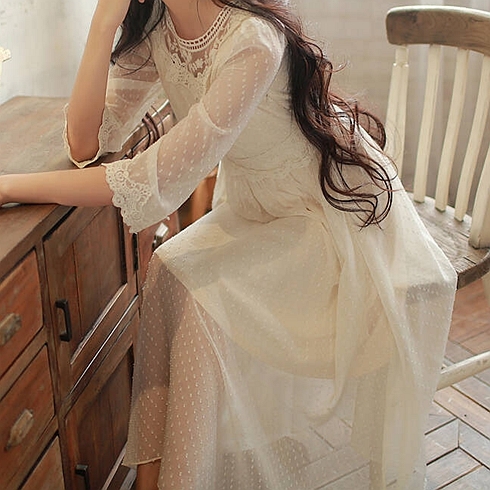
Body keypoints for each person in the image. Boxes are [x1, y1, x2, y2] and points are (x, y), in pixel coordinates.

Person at [0, 0, 457, 488]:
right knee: (167, 269)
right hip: (259, 205)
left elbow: (154, 179)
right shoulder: (160, 24)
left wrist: (8, 187)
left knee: (202, 304)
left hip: (327, 214)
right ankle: (155, 480)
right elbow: (85, 142)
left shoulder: (251, 39)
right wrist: (102, 23)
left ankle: (183, 480)